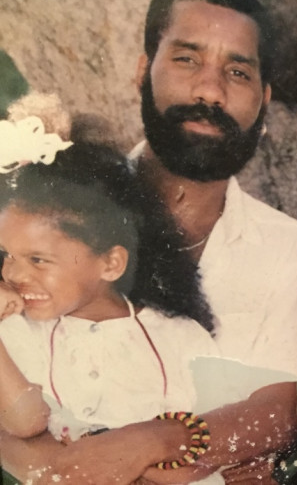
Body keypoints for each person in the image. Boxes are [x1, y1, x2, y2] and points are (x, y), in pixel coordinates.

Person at [0, 0, 297, 484]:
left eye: (237, 72)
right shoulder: (48, 217)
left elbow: (282, 409)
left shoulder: (289, 252)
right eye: (187, 59)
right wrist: (50, 467)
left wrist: (148, 443)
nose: (210, 90)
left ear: (263, 99)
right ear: (143, 70)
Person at [0, 129, 220, 482]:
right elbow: (24, 421)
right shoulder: (17, 331)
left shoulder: (180, 338)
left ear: (110, 264)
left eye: (38, 260)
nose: (13, 273)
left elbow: (211, 446)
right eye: (7, 255)